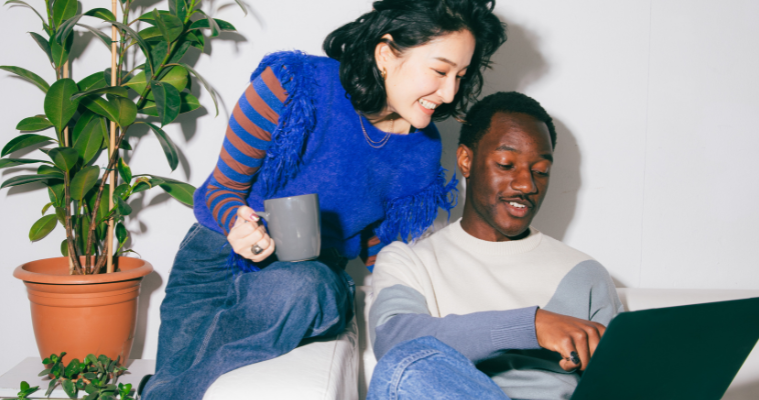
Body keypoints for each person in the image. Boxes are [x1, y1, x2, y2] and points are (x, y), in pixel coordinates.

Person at [141, 1, 507, 399]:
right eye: (439, 71)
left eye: (461, 75)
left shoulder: (422, 151)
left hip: (307, 281)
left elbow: (381, 251)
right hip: (214, 264)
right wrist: (236, 222)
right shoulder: (294, 86)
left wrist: (424, 303)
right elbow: (218, 191)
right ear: (385, 54)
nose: (451, 91)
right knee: (179, 373)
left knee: (302, 286)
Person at [367, 91, 624, 400]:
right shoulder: (409, 262)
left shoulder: (584, 274)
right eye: (506, 164)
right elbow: (395, 342)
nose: (527, 185)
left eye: (540, 171)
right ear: (466, 160)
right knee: (405, 369)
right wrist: (531, 326)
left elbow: (618, 384)